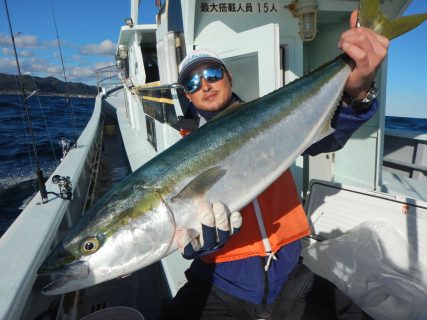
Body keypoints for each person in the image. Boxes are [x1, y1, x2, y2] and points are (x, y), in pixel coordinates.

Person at [160, 10, 388, 320]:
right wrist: (201, 245)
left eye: (212, 74)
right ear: (187, 93)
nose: (205, 85)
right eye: (192, 81)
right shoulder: (180, 156)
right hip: (220, 284)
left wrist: (359, 91)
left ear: (229, 77)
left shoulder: (273, 120)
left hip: (290, 275)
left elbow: (329, 139)